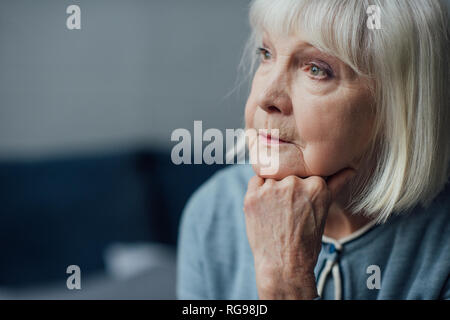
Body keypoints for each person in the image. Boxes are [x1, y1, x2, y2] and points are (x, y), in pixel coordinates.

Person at [177, 0, 450, 299]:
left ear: (399, 108)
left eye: (317, 69)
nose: (266, 97)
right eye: (266, 53)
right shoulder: (213, 213)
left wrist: (286, 284)